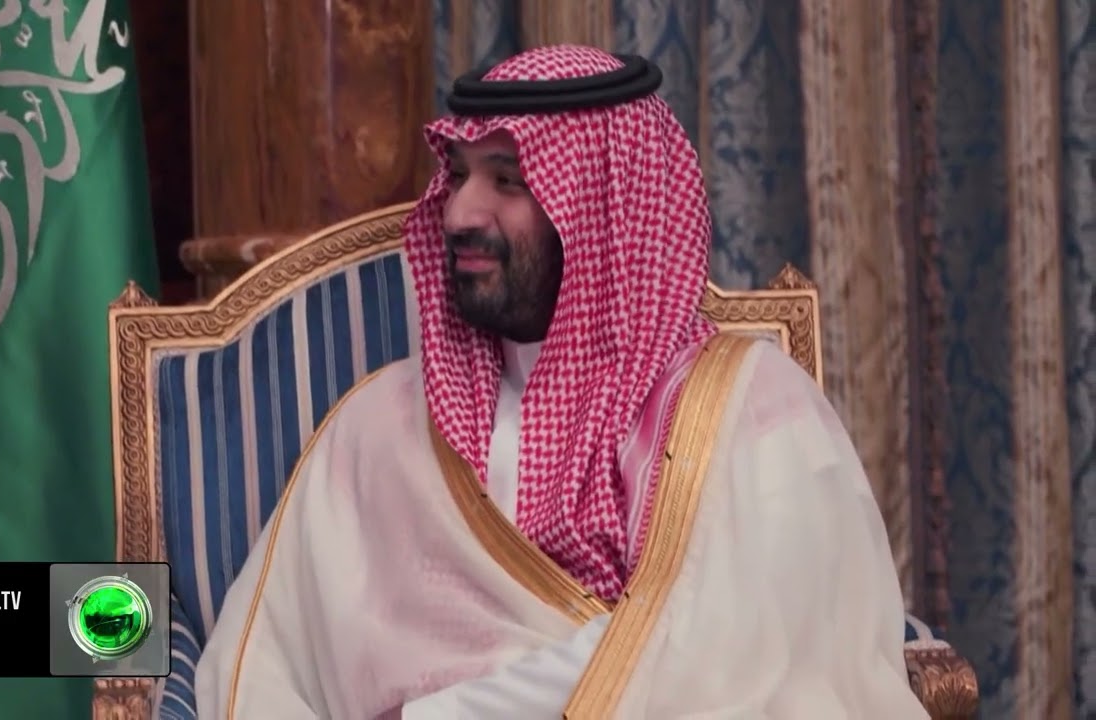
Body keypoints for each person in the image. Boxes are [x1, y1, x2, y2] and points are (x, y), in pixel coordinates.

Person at [194, 45, 927, 719]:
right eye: (458, 175)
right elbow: (263, 663)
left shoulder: (749, 407)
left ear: (603, 209)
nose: (459, 213)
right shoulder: (378, 428)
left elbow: (736, 646)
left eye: (507, 180)